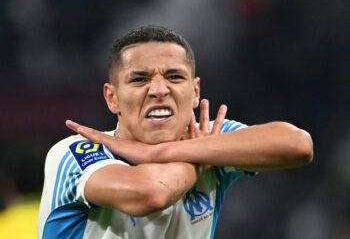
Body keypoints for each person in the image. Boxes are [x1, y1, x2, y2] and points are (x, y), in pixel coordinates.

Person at [38, 25, 313, 239]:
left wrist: (162, 152)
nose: (159, 90)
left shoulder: (203, 135)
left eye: (174, 76)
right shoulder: (76, 152)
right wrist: (199, 159)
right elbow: (151, 194)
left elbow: (298, 145)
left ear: (195, 92)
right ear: (113, 98)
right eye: (139, 79)